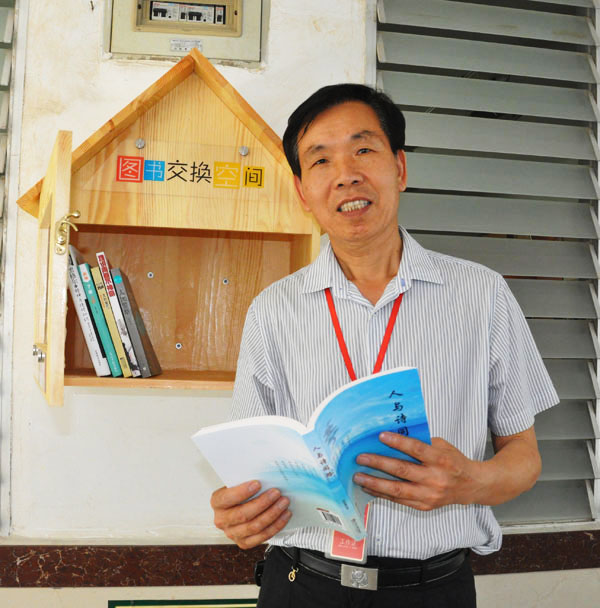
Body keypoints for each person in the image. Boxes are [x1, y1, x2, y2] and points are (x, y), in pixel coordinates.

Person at [210, 84, 559, 607]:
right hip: (303, 585)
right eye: (321, 160)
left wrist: (469, 481)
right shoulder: (273, 310)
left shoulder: (482, 294)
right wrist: (240, 510)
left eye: (363, 149)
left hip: (433, 589)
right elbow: (252, 472)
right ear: (302, 191)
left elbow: (525, 458)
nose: (346, 174)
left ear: (400, 168)